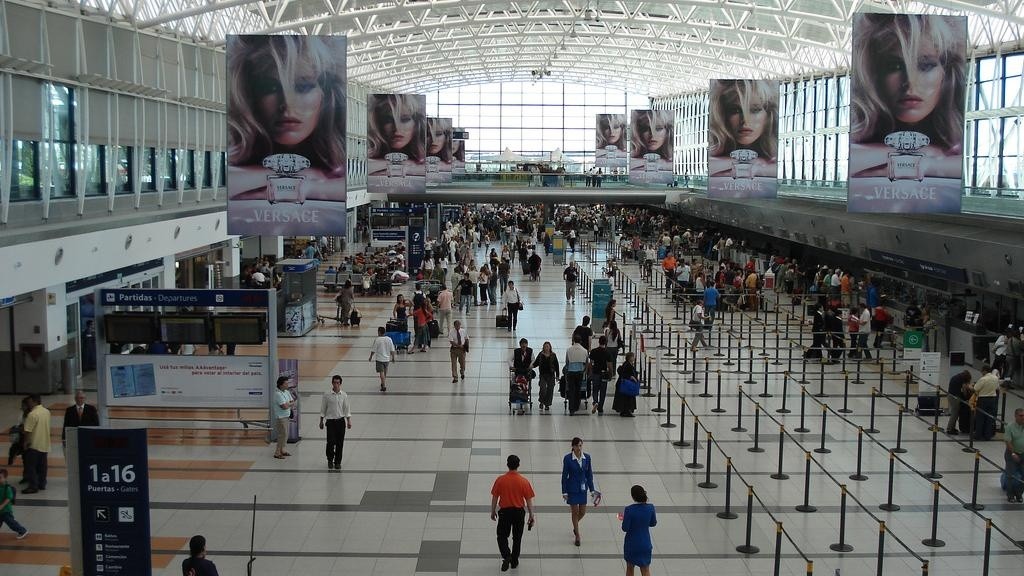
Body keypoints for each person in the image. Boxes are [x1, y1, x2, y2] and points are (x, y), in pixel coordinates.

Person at [848, 14, 966, 212]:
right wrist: (921, 155)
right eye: (895, 66)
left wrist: (927, 166)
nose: (910, 82)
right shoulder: (860, 130)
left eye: (925, 65)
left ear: (946, 73)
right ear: (874, 75)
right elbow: (854, 163)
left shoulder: (956, 138)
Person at [226, 36, 347, 204]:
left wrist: (307, 188)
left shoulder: (342, 154)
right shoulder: (236, 147)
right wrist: (298, 175)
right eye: (271, 87)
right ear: (251, 95)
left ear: (327, 95)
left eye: (302, 86)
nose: (287, 104)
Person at [708, 79, 779, 181]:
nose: (745, 120)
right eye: (735, 110)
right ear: (723, 114)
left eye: (755, 110)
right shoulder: (715, 148)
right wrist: (753, 162)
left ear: (769, 116)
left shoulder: (775, 155)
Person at [490, 455, 536, 572]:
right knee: (517, 538)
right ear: (518, 465)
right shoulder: (524, 481)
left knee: (501, 536)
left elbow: (495, 497)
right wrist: (531, 514)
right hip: (519, 513)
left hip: (505, 513)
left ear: (507, 464)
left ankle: (507, 555)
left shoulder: (500, 480)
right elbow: (529, 500)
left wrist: (493, 511)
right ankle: (514, 561)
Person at [366, 93, 427, 179]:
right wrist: (401, 164)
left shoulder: (425, 149)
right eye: (388, 120)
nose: (397, 128)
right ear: (378, 123)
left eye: (405, 119)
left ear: (417, 123)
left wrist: (406, 169)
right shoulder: (371, 149)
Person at [561, 437, 597, 547]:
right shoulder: (568, 458)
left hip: (582, 488)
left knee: (582, 512)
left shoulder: (587, 458)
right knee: (575, 512)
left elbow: (589, 474)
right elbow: (564, 475)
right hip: (572, 488)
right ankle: (577, 534)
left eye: (580, 445)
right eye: (577, 446)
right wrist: (564, 492)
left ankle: (575, 525)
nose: (579, 448)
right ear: (573, 446)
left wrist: (592, 489)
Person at [621, 485, 657, 576]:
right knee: (645, 570)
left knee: (630, 568)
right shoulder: (650, 508)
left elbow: (625, 528)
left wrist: (625, 518)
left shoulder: (629, 510)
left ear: (633, 497)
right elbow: (653, 523)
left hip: (631, 544)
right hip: (645, 544)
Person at [319, 375, 352, 471]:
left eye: (338, 383)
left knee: (339, 443)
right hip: (330, 422)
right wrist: (321, 421)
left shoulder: (344, 395)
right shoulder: (327, 394)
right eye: (334, 382)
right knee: (330, 442)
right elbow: (323, 408)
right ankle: (330, 459)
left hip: (340, 422)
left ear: (340, 384)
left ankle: (338, 462)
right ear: (332, 383)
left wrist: (349, 420)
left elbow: (347, 408)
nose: (336, 384)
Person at [20, 395, 50, 494]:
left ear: (34, 402)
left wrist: (25, 443)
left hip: (34, 445)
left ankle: (33, 486)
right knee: (43, 466)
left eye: (30, 402)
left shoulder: (32, 414)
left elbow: (27, 431)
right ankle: (42, 483)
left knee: (31, 466)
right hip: (44, 443)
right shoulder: (46, 412)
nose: (28, 404)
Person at [968, 365, 1000, 441]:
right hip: (992, 399)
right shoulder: (995, 378)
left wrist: (970, 387)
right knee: (989, 418)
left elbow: (975, 388)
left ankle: (978, 435)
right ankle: (987, 435)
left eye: (982, 371)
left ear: (985, 371)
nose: (981, 372)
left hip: (983, 399)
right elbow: (997, 388)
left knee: (980, 417)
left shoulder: (983, 379)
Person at [564, 335, 590, 415]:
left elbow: (567, 362)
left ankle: (571, 409)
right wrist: (585, 371)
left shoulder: (569, 350)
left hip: (571, 372)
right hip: (580, 372)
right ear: (580, 341)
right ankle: (576, 406)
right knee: (578, 390)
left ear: (573, 340)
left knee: (571, 390)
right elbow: (586, 362)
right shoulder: (584, 350)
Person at [532, 341, 560, 411]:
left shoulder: (553, 355)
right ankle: (541, 401)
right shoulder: (541, 355)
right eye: (545, 347)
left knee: (550, 390)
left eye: (548, 346)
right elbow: (536, 363)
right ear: (543, 348)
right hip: (543, 375)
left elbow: (556, 365)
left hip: (551, 375)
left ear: (550, 347)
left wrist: (557, 375)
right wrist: (531, 366)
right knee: (543, 389)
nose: (546, 348)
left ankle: (547, 404)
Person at [1004, 408, 1024, 503]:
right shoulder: (1010, 427)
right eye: (1021, 416)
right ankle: (1010, 495)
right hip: (1012, 454)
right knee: (1011, 475)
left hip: (1023, 454)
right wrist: (1013, 453)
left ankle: (1019, 494)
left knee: (1023, 475)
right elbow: (1008, 441)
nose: (1023, 417)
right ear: (1016, 416)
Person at [589, 336, 614, 414]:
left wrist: (590, 372)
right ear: (605, 343)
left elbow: (591, 363)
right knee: (603, 391)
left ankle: (595, 401)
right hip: (604, 373)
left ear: (599, 342)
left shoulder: (593, 351)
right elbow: (609, 365)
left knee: (595, 389)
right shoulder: (607, 352)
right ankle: (600, 407)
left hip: (596, 373)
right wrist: (611, 374)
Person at [271, 377, 294, 460]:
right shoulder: (278, 394)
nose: (287, 385)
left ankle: (283, 450)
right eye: (286, 383)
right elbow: (284, 406)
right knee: (282, 435)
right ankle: (277, 453)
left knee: (286, 434)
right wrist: (289, 404)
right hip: (281, 418)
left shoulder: (287, 392)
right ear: (281, 385)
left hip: (287, 416)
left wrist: (288, 404)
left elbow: (292, 402)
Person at [0, 469, 28, 539]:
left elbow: (9, 498)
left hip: (6, 510)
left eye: (0, 478)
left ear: (5, 478)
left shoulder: (7, 488)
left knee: (11, 523)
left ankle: (22, 531)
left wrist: (1, 506)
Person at [368, 326, 398, 392]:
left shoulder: (377, 340)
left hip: (379, 359)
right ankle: (383, 382)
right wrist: (393, 357)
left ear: (379, 332)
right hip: (387, 359)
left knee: (381, 372)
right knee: (385, 371)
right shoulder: (389, 339)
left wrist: (370, 357)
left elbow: (373, 350)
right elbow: (392, 349)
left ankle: (383, 386)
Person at [612, 352, 640, 417]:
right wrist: (632, 377)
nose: (634, 358)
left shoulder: (627, 363)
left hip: (624, 384)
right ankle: (627, 411)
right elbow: (625, 374)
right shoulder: (627, 365)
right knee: (628, 398)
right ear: (630, 358)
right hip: (627, 385)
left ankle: (625, 411)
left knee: (625, 398)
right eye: (633, 356)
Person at [945, 370, 972, 435]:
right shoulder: (962, 379)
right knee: (955, 414)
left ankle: (952, 427)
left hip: (950, 395)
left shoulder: (956, 377)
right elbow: (964, 389)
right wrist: (966, 398)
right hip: (955, 398)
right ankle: (950, 429)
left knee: (955, 413)